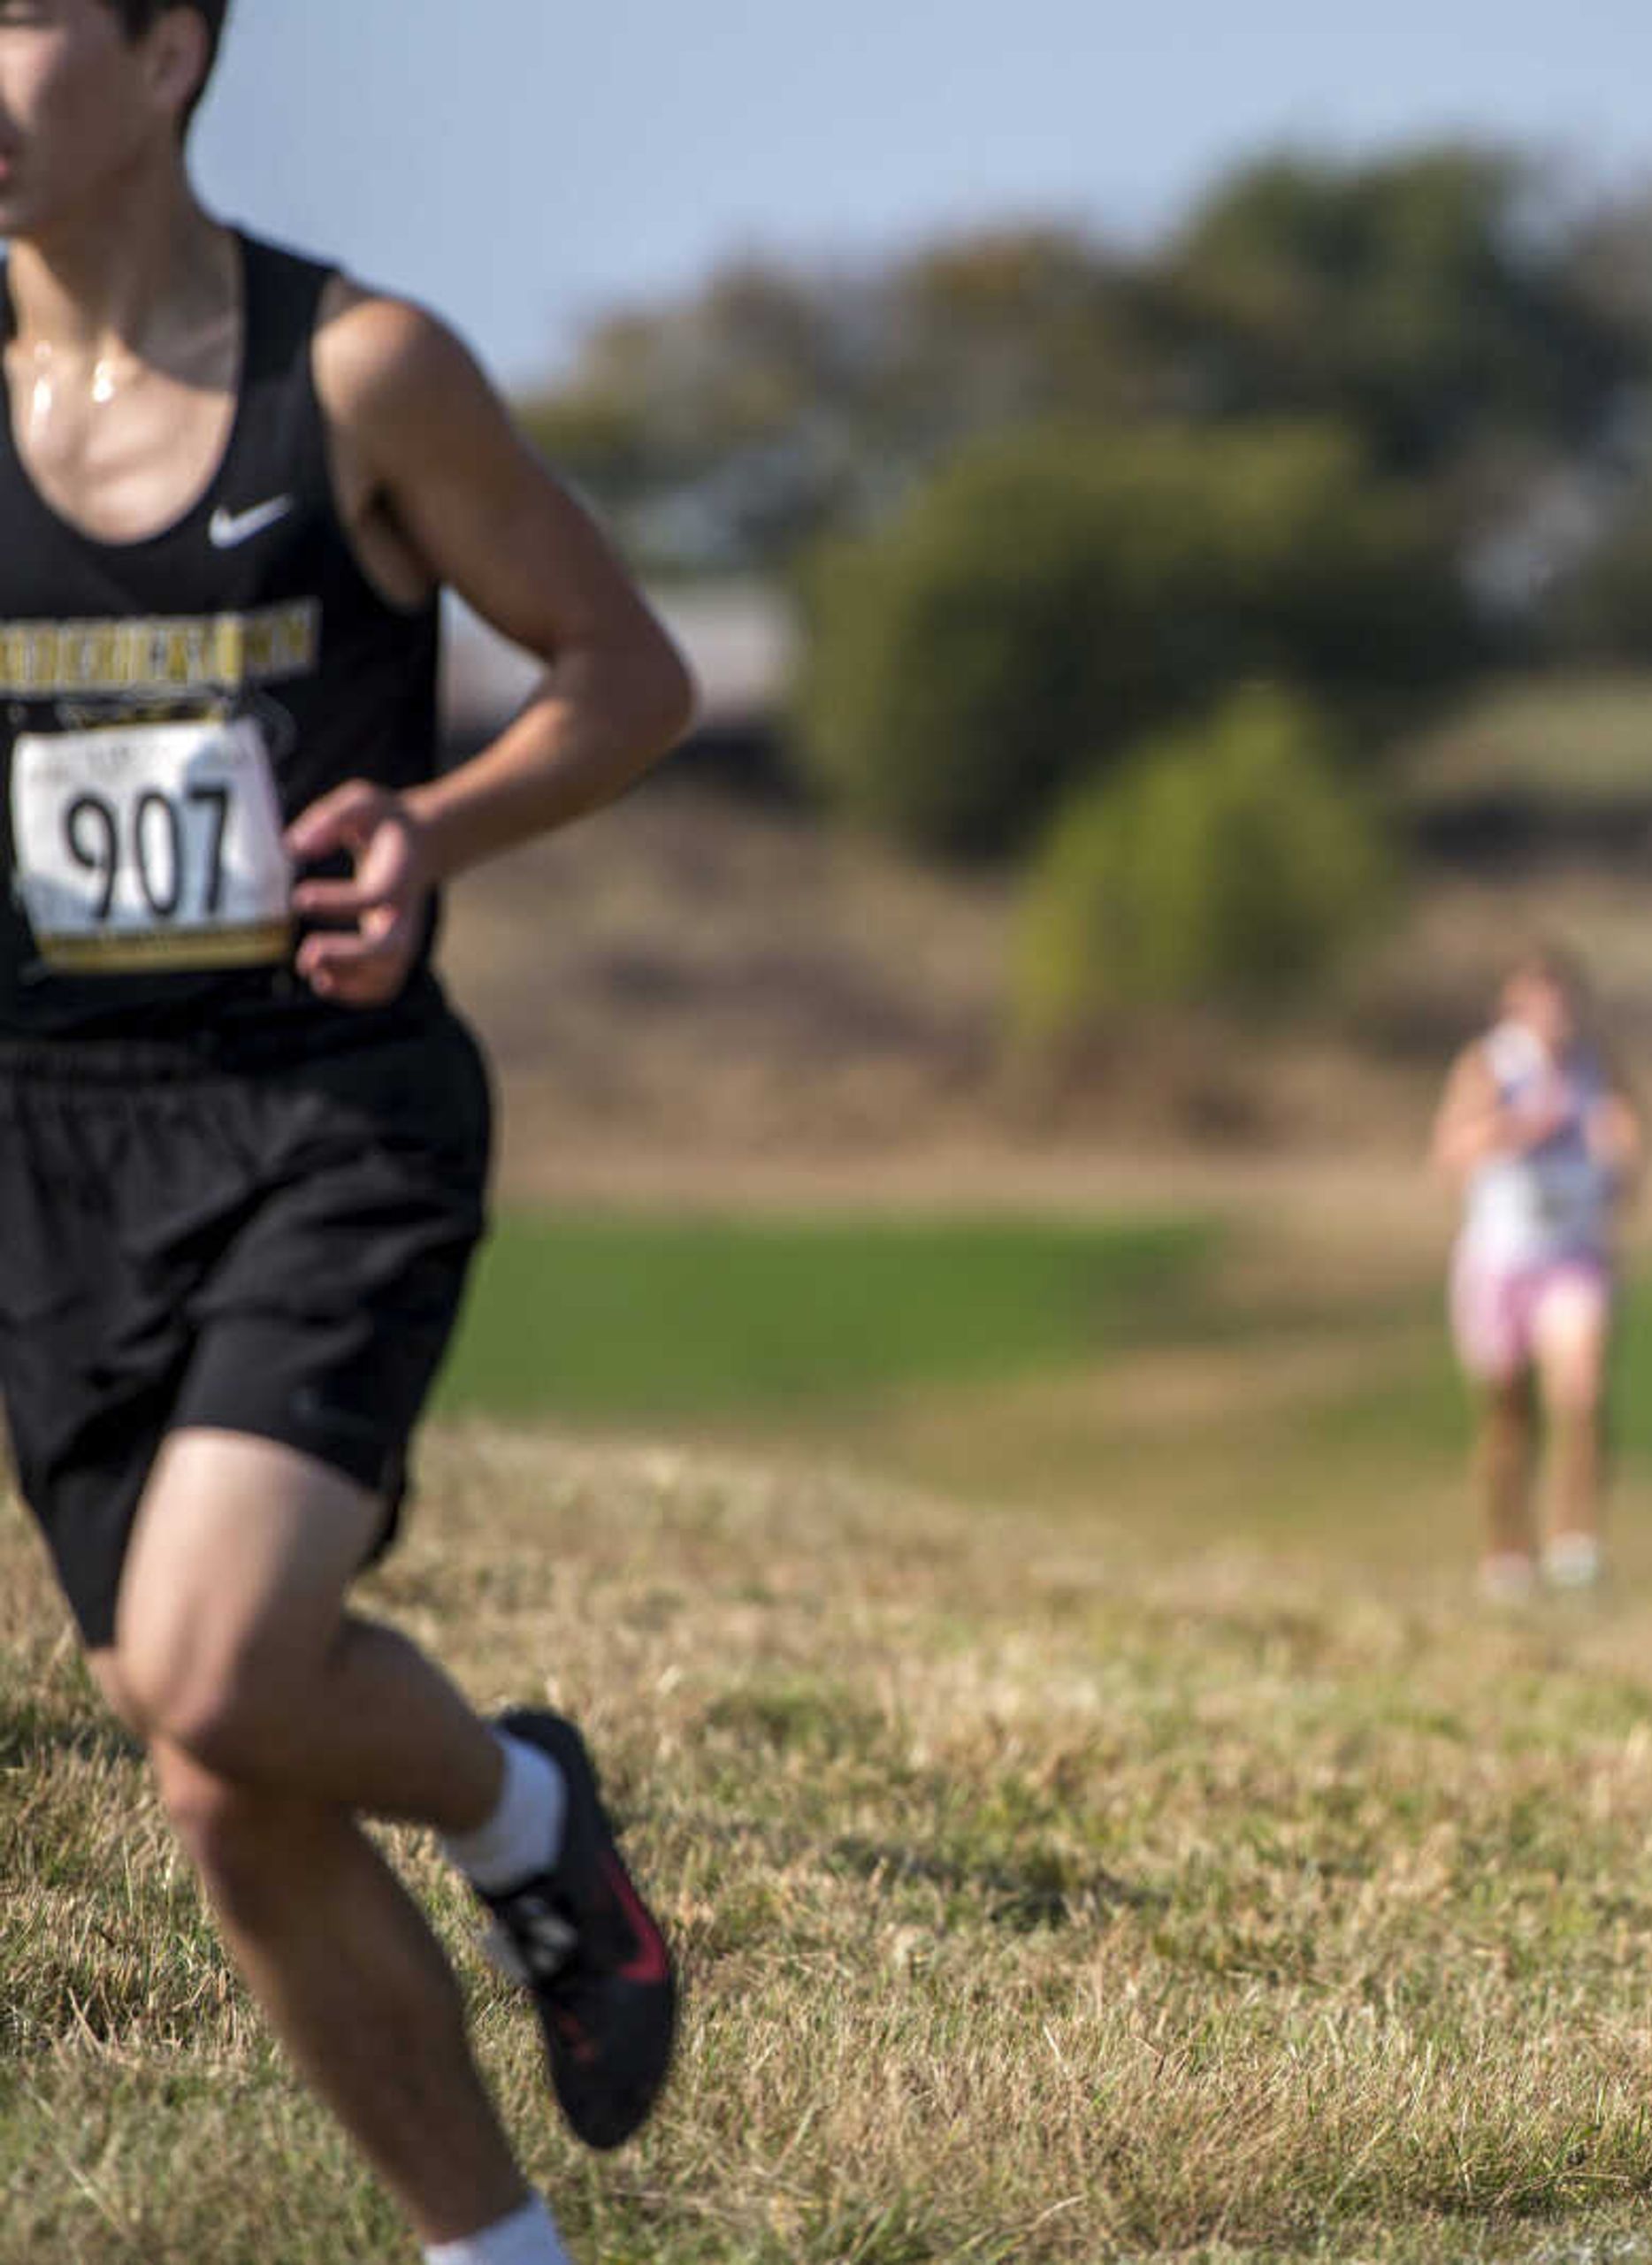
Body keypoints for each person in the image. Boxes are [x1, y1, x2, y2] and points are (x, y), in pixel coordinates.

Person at [0, 7, 696, 2261]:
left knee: (209, 1667)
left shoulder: (362, 372)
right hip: (50, 1149)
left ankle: (517, 1809)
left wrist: (439, 820)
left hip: (321, 1110)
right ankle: (499, 2240)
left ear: (170, 45)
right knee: (222, 1777)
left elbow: (624, 671)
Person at [1429, 946, 1643, 1599]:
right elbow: (1449, 1154)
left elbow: (1629, 1156)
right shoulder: (1491, 1067)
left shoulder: (1595, 1069)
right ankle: (1507, 1552)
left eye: (1561, 1000)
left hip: (1571, 1257)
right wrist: (1517, 1128)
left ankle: (1576, 1545)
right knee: (1506, 1413)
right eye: (1537, 1002)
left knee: (1580, 1391)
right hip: (1501, 1259)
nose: (1552, 1015)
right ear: (1513, 1009)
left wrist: (1620, 1155)